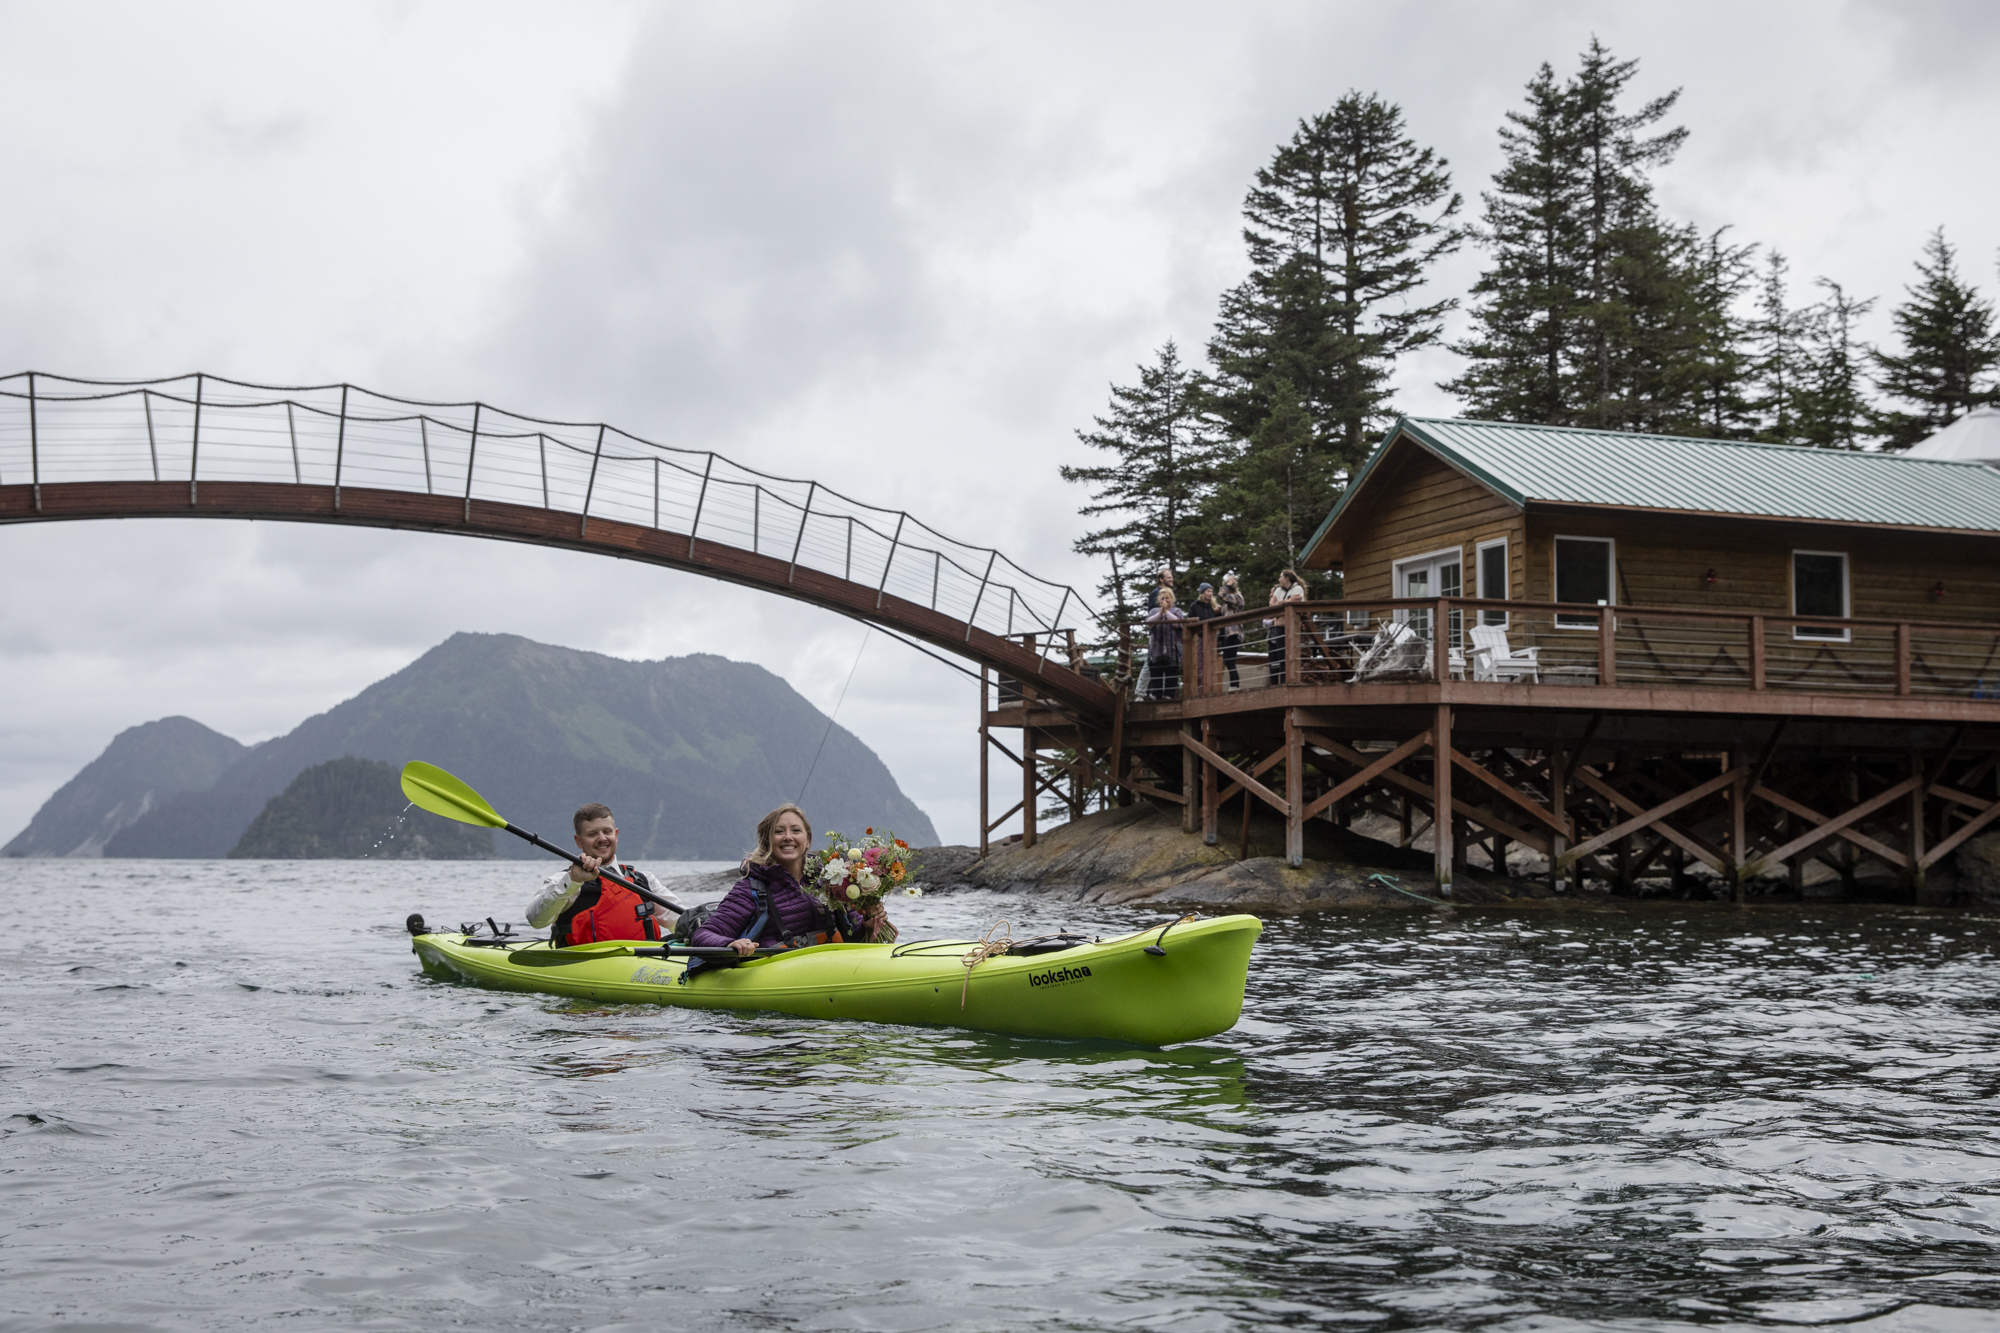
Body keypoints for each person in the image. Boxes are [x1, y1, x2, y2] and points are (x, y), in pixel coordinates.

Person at [691, 803, 893, 957]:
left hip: (832, 967)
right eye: (779, 832)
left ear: (807, 841)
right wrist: (730, 944)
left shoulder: (832, 883)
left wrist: (867, 923)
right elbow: (703, 934)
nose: (788, 837)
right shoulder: (751, 888)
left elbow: (853, 936)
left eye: (796, 831)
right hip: (777, 974)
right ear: (767, 841)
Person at [526, 802, 675, 947]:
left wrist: (696, 928)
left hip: (643, 966)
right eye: (592, 834)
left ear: (616, 835)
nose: (602, 838)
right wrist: (573, 880)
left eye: (607, 831)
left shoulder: (643, 880)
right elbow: (536, 920)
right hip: (582, 966)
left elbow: (678, 918)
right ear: (579, 841)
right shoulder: (564, 881)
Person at [1143, 588, 1188, 700]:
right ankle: (1156, 694)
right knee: (1156, 671)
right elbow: (1148, 623)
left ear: (1171, 599)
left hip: (1172, 647)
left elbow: (1178, 624)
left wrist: (1166, 612)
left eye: (1167, 598)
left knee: (1171, 672)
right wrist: (1160, 613)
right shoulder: (1153, 611)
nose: (1165, 600)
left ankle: (1169, 694)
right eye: (1163, 598)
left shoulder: (1176, 610)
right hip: (1156, 647)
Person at [1218, 573, 1245, 690]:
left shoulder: (1237, 597)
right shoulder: (1227, 601)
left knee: (1230, 661)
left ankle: (1235, 686)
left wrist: (1228, 583)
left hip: (1233, 633)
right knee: (1228, 660)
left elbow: (1222, 594)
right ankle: (1234, 685)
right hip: (1226, 634)